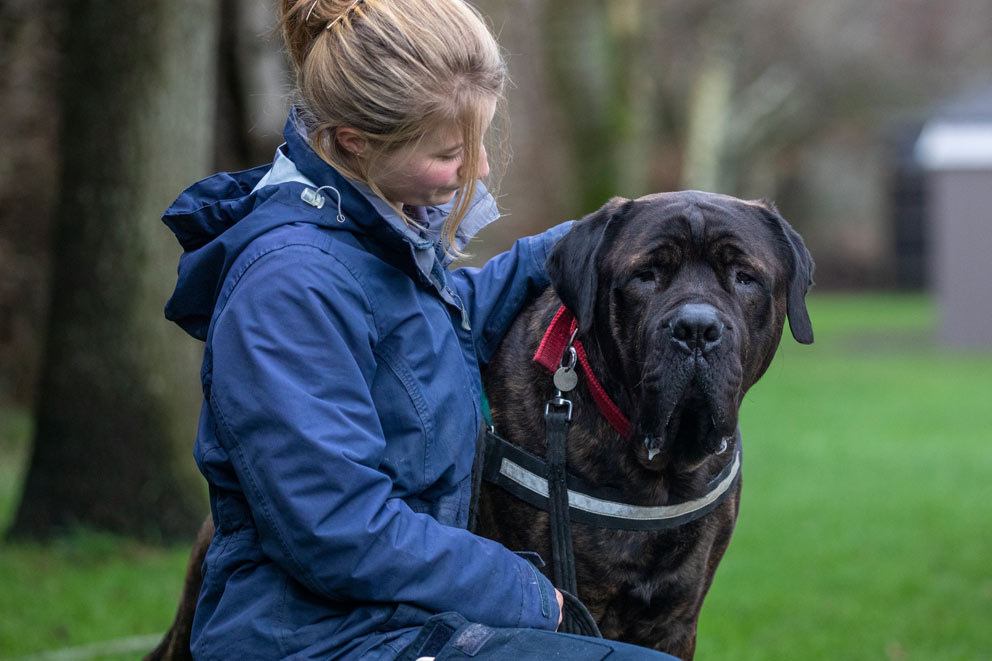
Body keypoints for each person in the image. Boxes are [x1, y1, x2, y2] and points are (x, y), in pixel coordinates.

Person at [163, 0, 680, 659]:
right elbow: (337, 528)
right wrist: (521, 589)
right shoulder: (289, 290)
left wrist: (603, 237)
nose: (480, 168)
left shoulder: (369, 243)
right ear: (355, 139)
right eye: (450, 152)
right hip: (323, 642)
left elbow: (437, 332)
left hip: (403, 622)